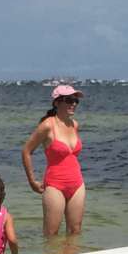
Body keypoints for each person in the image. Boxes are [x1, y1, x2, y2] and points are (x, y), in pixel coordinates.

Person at [21, 84, 86, 237]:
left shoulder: (74, 124)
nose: (73, 104)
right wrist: (32, 181)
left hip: (77, 183)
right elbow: (26, 151)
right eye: (69, 100)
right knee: (51, 235)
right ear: (57, 102)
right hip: (55, 185)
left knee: (75, 232)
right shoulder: (47, 125)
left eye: (76, 101)